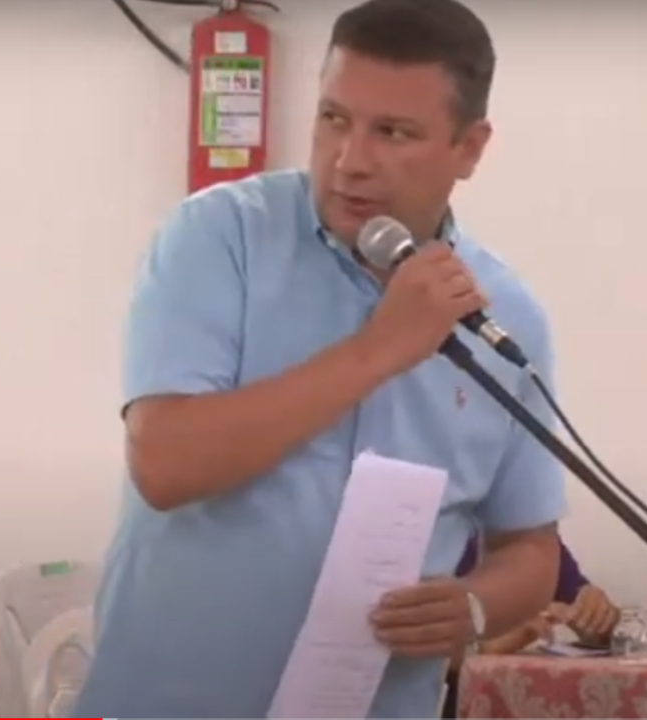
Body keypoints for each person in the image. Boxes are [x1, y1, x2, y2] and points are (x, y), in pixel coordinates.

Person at [71, 0, 567, 716]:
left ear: (469, 148)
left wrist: (475, 606)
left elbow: (529, 546)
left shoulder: (505, 319)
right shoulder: (218, 237)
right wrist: (381, 348)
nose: (349, 160)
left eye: (393, 132)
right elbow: (165, 464)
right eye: (334, 118)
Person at [440, 536, 617, 718]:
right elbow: (434, 653)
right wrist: (493, 644)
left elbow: (586, 618)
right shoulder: (439, 539)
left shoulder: (539, 541)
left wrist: (597, 618)